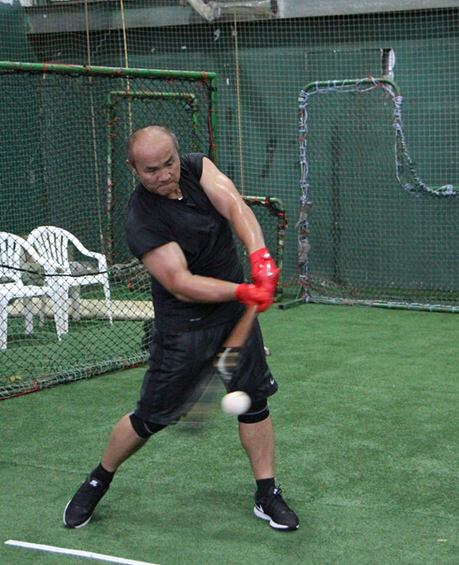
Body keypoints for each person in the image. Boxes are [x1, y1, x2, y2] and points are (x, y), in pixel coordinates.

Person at [63, 125, 299, 532]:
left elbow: (236, 208)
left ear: (178, 155)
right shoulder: (142, 218)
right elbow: (181, 284)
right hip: (183, 329)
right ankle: (98, 479)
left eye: (168, 163)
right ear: (133, 168)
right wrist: (245, 290)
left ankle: (267, 494)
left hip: (232, 318)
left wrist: (259, 257)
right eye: (151, 169)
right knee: (150, 418)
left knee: (254, 403)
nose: (164, 174)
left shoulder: (196, 167)